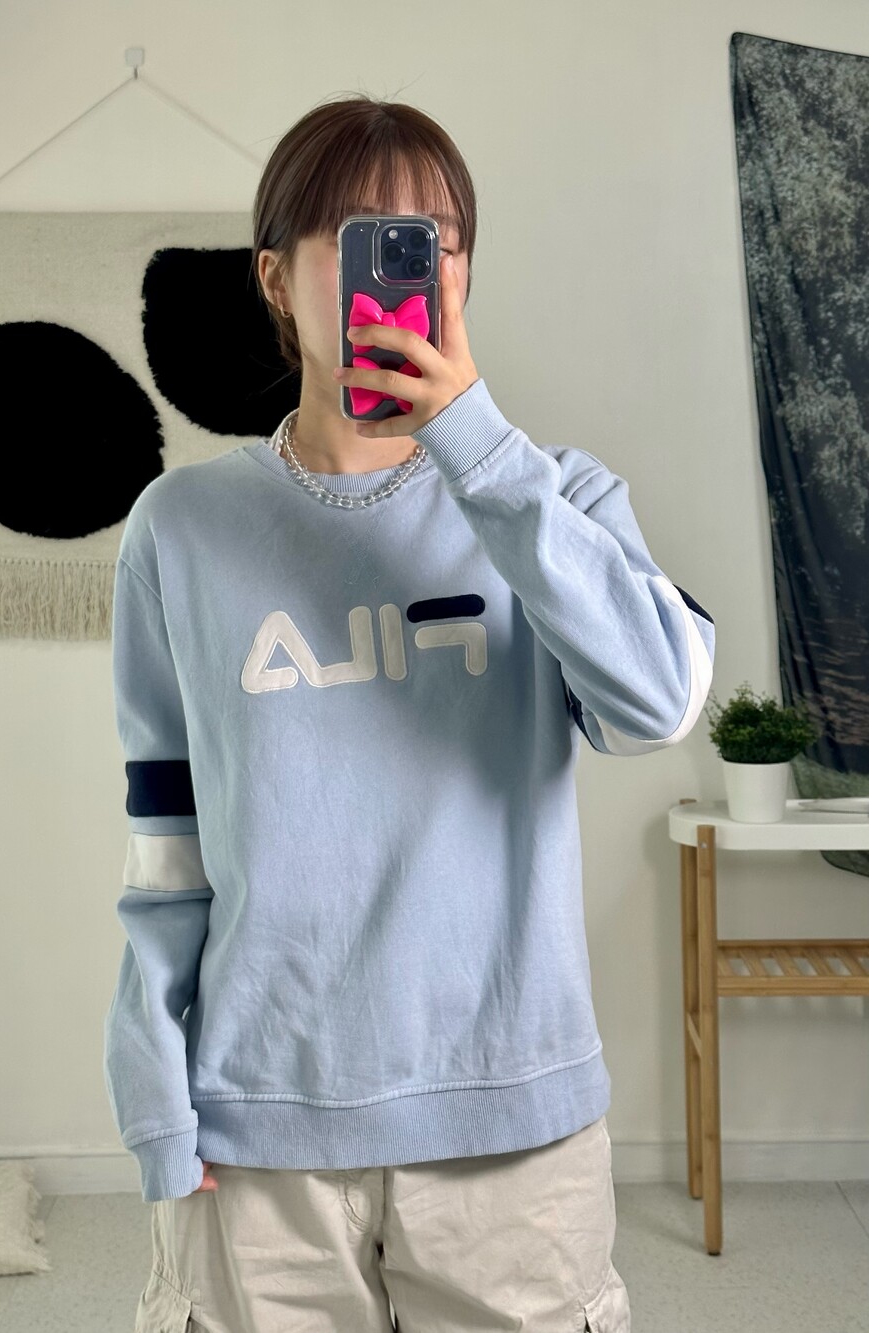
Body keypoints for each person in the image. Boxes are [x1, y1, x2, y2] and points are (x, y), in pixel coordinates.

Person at [104, 92, 715, 1333]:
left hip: (512, 1131)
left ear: (462, 273)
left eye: (432, 241)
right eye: (360, 237)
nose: (403, 269)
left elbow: (658, 702)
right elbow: (166, 838)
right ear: (277, 279)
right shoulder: (182, 528)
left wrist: (477, 447)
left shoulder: (555, 500)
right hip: (257, 1129)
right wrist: (154, 1082)